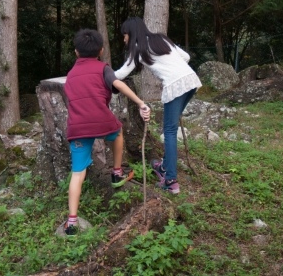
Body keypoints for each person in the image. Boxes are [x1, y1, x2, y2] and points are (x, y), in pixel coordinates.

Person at [63, 29, 151, 236]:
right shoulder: (103, 68)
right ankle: (117, 172)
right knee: (117, 132)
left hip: (77, 127)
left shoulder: (71, 75)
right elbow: (117, 83)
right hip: (102, 121)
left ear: (76, 52)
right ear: (101, 50)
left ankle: (72, 222)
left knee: (77, 173)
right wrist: (140, 102)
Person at [114, 17, 202, 194]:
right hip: (191, 81)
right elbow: (186, 57)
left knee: (169, 131)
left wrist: (101, 74)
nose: (124, 39)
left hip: (175, 86)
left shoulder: (138, 48)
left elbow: (122, 73)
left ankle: (170, 180)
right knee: (171, 127)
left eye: (124, 35)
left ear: (131, 34)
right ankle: (165, 167)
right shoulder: (160, 38)